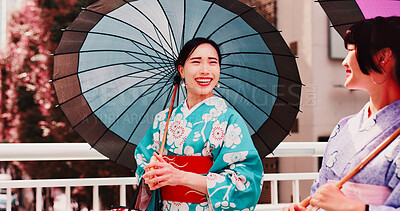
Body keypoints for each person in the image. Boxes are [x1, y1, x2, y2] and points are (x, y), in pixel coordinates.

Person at [284, 16, 400, 211]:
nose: (345, 62)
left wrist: (354, 207)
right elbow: (321, 191)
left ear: (383, 57)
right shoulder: (344, 126)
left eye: (351, 51)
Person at [134, 37, 263, 211]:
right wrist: (150, 174)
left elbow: (244, 185)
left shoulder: (229, 121)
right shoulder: (162, 120)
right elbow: (143, 164)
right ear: (181, 70)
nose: (205, 70)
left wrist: (180, 177)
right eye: (196, 62)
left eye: (212, 62)